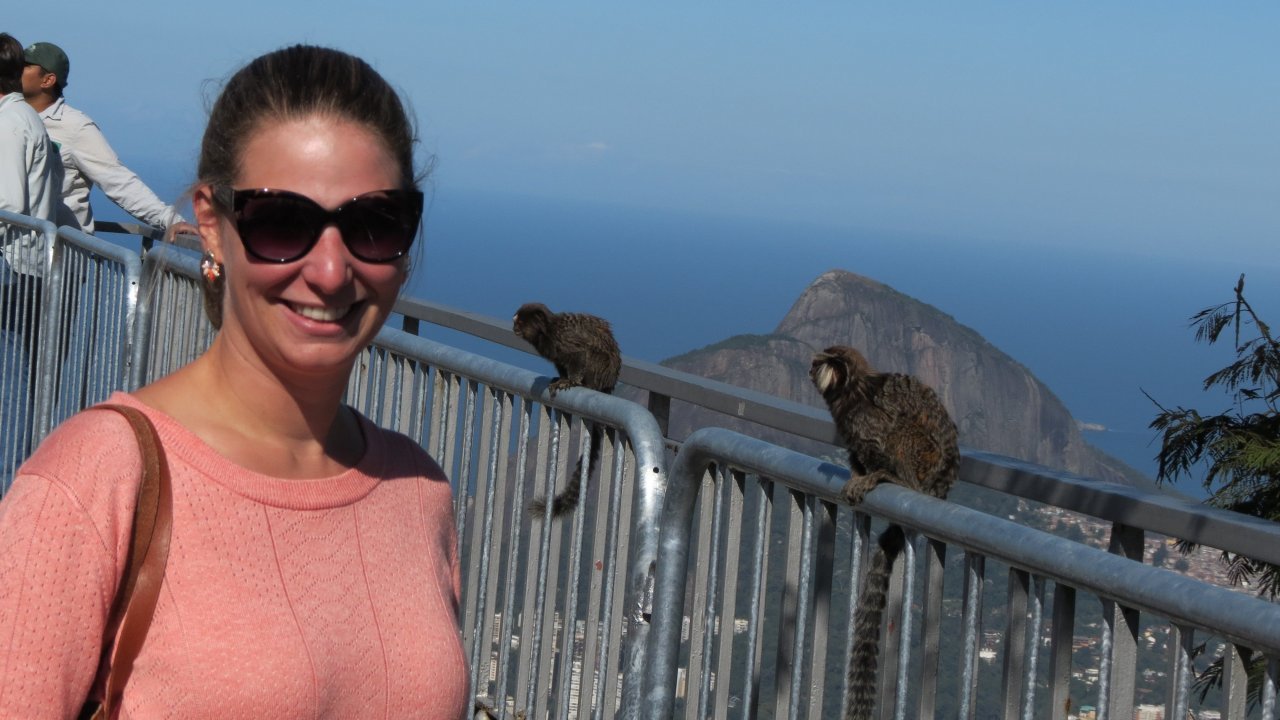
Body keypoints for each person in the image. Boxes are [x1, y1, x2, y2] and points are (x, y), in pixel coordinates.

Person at [0, 45, 470, 716]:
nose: (332, 272)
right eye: (284, 223)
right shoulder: (92, 483)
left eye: (373, 224)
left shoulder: (419, 492)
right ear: (213, 226)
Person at [21, 41, 196, 239]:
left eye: (25, 66)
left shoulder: (75, 127)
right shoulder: (12, 119)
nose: (15, 70)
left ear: (48, 80)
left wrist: (169, 219)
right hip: (14, 253)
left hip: (58, 259)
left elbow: (118, 181)